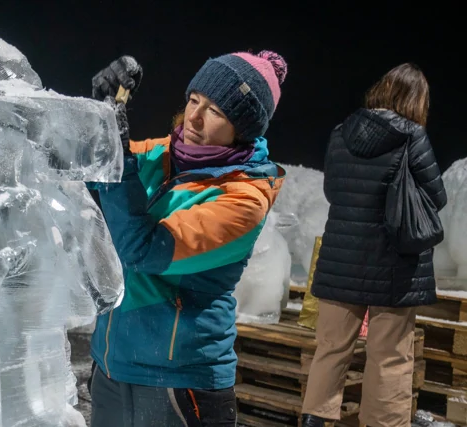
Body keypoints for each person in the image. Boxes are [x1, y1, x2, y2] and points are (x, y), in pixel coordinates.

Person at [87, 51, 288, 426]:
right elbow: (88, 171)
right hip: (112, 368)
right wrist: (98, 112)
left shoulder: (242, 199)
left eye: (215, 111)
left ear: (242, 129)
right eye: (194, 100)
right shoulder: (161, 154)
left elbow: (141, 250)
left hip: (179, 384)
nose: (194, 117)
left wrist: (113, 145)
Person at [301, 63, 447, 427]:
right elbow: (436, 195)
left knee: (331, 349)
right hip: (394, 264)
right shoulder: (411, 135)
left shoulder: (340, 132)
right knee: (390, 356)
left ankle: (314, 421)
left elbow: (333, 190)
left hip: (342, 259)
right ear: (415, 100)